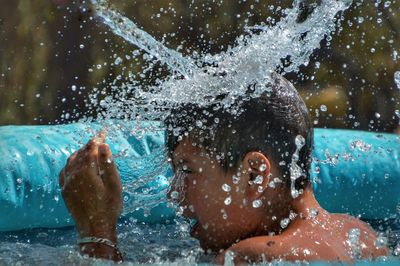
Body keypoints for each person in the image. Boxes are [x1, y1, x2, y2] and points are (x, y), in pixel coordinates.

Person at [59, 74, 388, 264]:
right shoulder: (358, 235)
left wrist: (97, 231)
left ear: (255, 174)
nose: (176, 197)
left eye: (187, 172)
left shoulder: (253, 258)